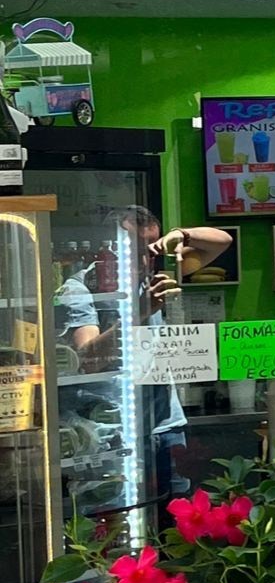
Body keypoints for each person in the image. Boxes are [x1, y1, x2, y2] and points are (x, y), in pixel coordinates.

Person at [57, 211, 233, 496]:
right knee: (118, 510)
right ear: (108, 245)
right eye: (134, 248)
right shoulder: (80, 289)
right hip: (111, 430)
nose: (143, 260)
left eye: (150, 250)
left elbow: (222, 241)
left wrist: (181, 235)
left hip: (165, 425)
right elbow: (86, 361)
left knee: (175, 511)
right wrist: (138, 312)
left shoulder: (153, 278)